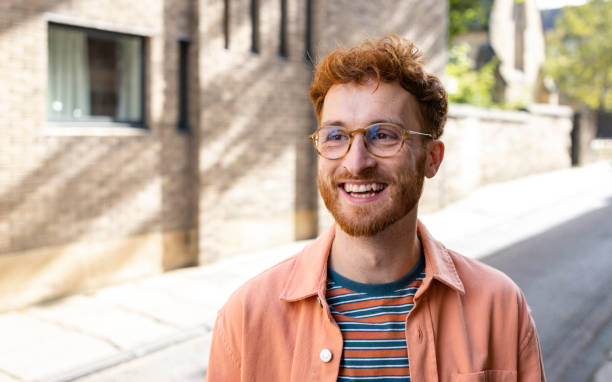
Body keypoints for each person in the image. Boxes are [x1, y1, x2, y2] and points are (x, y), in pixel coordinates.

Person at [206, 34, 546, 382]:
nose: (356, 163)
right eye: (336, 136)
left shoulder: (500, 308)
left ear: (432, 158)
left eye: (383, 135)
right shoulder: (246, 317)